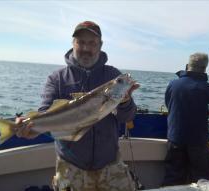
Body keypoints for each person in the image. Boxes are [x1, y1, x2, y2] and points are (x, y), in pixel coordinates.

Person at [16, 21, 139, 191]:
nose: (86, 48)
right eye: (81, 42)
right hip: (71, 168)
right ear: (73, 43)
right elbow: (45, 113)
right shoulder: (57, 79)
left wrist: (125, 102)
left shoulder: (112, 75)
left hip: (111, 164)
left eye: (92, 43)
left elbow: (128, 117)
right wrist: (32, 128)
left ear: (100, 45)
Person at [162, 52, 209, 186]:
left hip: (175, 139)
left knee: (172, 178)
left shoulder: (173, 84)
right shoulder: (206, 88)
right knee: (201, 179)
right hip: (198, 142)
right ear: (204, 69)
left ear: (187, 66)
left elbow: (169, 104)